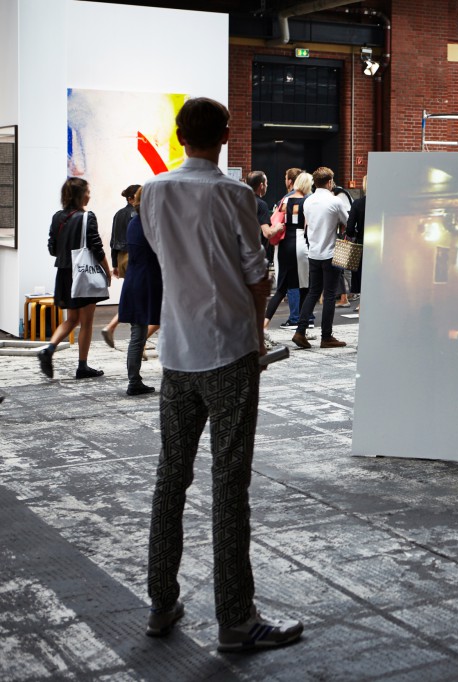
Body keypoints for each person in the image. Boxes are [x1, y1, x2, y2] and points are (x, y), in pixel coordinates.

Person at [139, 97, 302, 651]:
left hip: (176, 354)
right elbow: (258, 275)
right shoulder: (235, 195)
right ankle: (235, 618)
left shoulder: (153, 192)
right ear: (226, 136)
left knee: (170, 479)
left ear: (180, 134)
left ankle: (161, 603)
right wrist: (257, 333)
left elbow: (166, 258)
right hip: (229, 351)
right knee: (230, 485)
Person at [37, 178, 112, 380]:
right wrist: (107, 270)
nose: (89, 195)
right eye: (87, 191)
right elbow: (96, 246)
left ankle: (49, 349)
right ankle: (82, 366)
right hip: (83, 273)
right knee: (86, 322)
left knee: (72, 319)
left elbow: (52, 249)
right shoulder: (87, 217)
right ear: (80, 195)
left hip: (64, 273)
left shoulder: (57, 217)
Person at [291, 166, 349, 350]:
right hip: (331, 252)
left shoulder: (307, 202)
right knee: (330, 295)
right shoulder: (335, 201)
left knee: (313, 292)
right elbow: (346, 222)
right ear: (330, 182)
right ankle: (326, 336)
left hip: (314, 252)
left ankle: (300, 331)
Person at [117, 186, 161, 396]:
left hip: (136, 280)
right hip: (147, 281)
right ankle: (134, 381)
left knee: (138, 332)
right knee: (139, 334)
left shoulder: (135, 221)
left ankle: (134, 380)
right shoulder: (150, 223)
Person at [264, 172, 313, 330]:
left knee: (281, 289)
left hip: (284, 245)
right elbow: (308, 226)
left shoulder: (285, 200)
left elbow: (278, 219)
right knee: (305, 287)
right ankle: (302, 328)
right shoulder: (308, 201)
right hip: (301, 243)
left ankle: (263, 324)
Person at [102, 184, 141, 348]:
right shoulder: (136, 215)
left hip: (121, 257)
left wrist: (115, 264)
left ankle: (132, 333)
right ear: (131, 198)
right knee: (138, 294)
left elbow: (113, 242)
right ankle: (136, 335)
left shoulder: (118, 214)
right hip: (134, 257)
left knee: (133, 292)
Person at [345, 177, 366, 313]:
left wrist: (356, 233)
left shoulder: (358, 204)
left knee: (362, 275)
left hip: (362, 243)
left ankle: (362, 303)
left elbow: (350, 229)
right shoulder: (383, 203)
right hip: (381, 244)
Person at [246, 171, 273, 266]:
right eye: (266, 183)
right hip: (257, 255)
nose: (267, 186)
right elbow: (267, 233)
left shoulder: (238, 200)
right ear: (261, 185)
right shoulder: (261, 205)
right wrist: (278, 227)